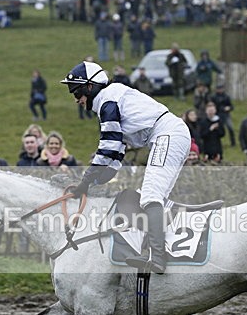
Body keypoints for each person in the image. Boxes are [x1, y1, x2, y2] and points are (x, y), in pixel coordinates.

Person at [61, 60, 191, 274]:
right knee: (150, 196)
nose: (76, 100)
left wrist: (85, 181)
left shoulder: (107, 101)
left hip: (167, 134)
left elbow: (108, 147)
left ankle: (157, 257)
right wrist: (95, 182)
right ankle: (157, 249)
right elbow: (116, 153)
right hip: (170, 134)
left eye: (76, 93)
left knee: (150, 196)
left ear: (90, 87)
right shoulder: (109, 98)